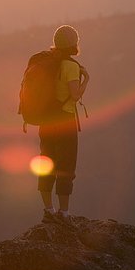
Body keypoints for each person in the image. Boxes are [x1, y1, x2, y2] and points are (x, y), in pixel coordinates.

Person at [38, 25, 89, 225]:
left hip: (46, 122)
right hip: (65, 122)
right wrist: (87, 78)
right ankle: (64, 214)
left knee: (46, 164)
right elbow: (75, 95)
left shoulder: (48, 62)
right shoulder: (71, 66)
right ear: (73, 44)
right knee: (66, 167)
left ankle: (48, 210)